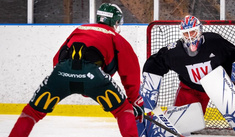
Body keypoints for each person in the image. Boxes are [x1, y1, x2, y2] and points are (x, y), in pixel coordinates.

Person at [9, 3, 144, 137]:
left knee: (32, 112)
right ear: (116, 22)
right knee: (123, 110)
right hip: (93, 76)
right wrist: (134, 101)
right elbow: (130, 71)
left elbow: (58, 58)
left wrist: (62, 79)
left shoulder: (81, 29)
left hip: (62, 72)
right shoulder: (117, 38)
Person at [138, 15, 235, 136]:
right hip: (189, 88)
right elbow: (155, 62)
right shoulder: (176, 51)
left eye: (192, 32)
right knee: (180, 125)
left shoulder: (214, 42)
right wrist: (148, 85)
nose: (190, 37)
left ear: (200, 30)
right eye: (186, 33)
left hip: (218, 85)